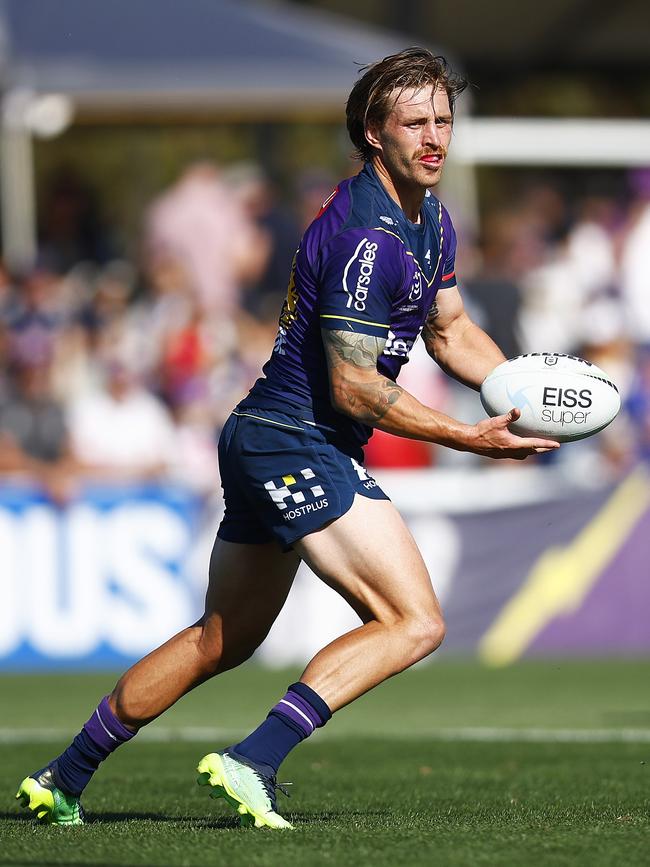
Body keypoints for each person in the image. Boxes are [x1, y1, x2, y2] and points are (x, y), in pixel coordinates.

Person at [16, 47, 558, 829]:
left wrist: (523, 398)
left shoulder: (429, 213)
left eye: (444, 119)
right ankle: (254, 758)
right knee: (416, 620)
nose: (436, 137)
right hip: (297, 439)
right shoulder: (367, 236)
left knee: (218, 640)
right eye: (416, 123)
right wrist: (471, 438)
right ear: (374, 133)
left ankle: (61, 777)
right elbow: (355, 386)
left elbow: (452, 328)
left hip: (270, 434)